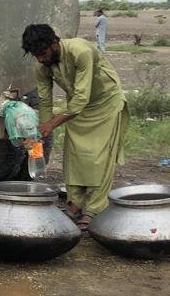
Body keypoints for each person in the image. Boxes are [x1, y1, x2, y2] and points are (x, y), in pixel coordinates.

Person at [21, 23, 128, 230]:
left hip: (104, 104)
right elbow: (44, 100)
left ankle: (94, 209)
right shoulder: (42, 66)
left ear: (54, 43)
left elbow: (81, 97)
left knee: (100, 158)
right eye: (36, 55)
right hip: (77, 108)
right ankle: (76, 204)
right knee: (75, 156)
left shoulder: (81, 51)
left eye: (43, 53)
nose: (40, 59)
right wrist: (43, 127)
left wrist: (52, 124)